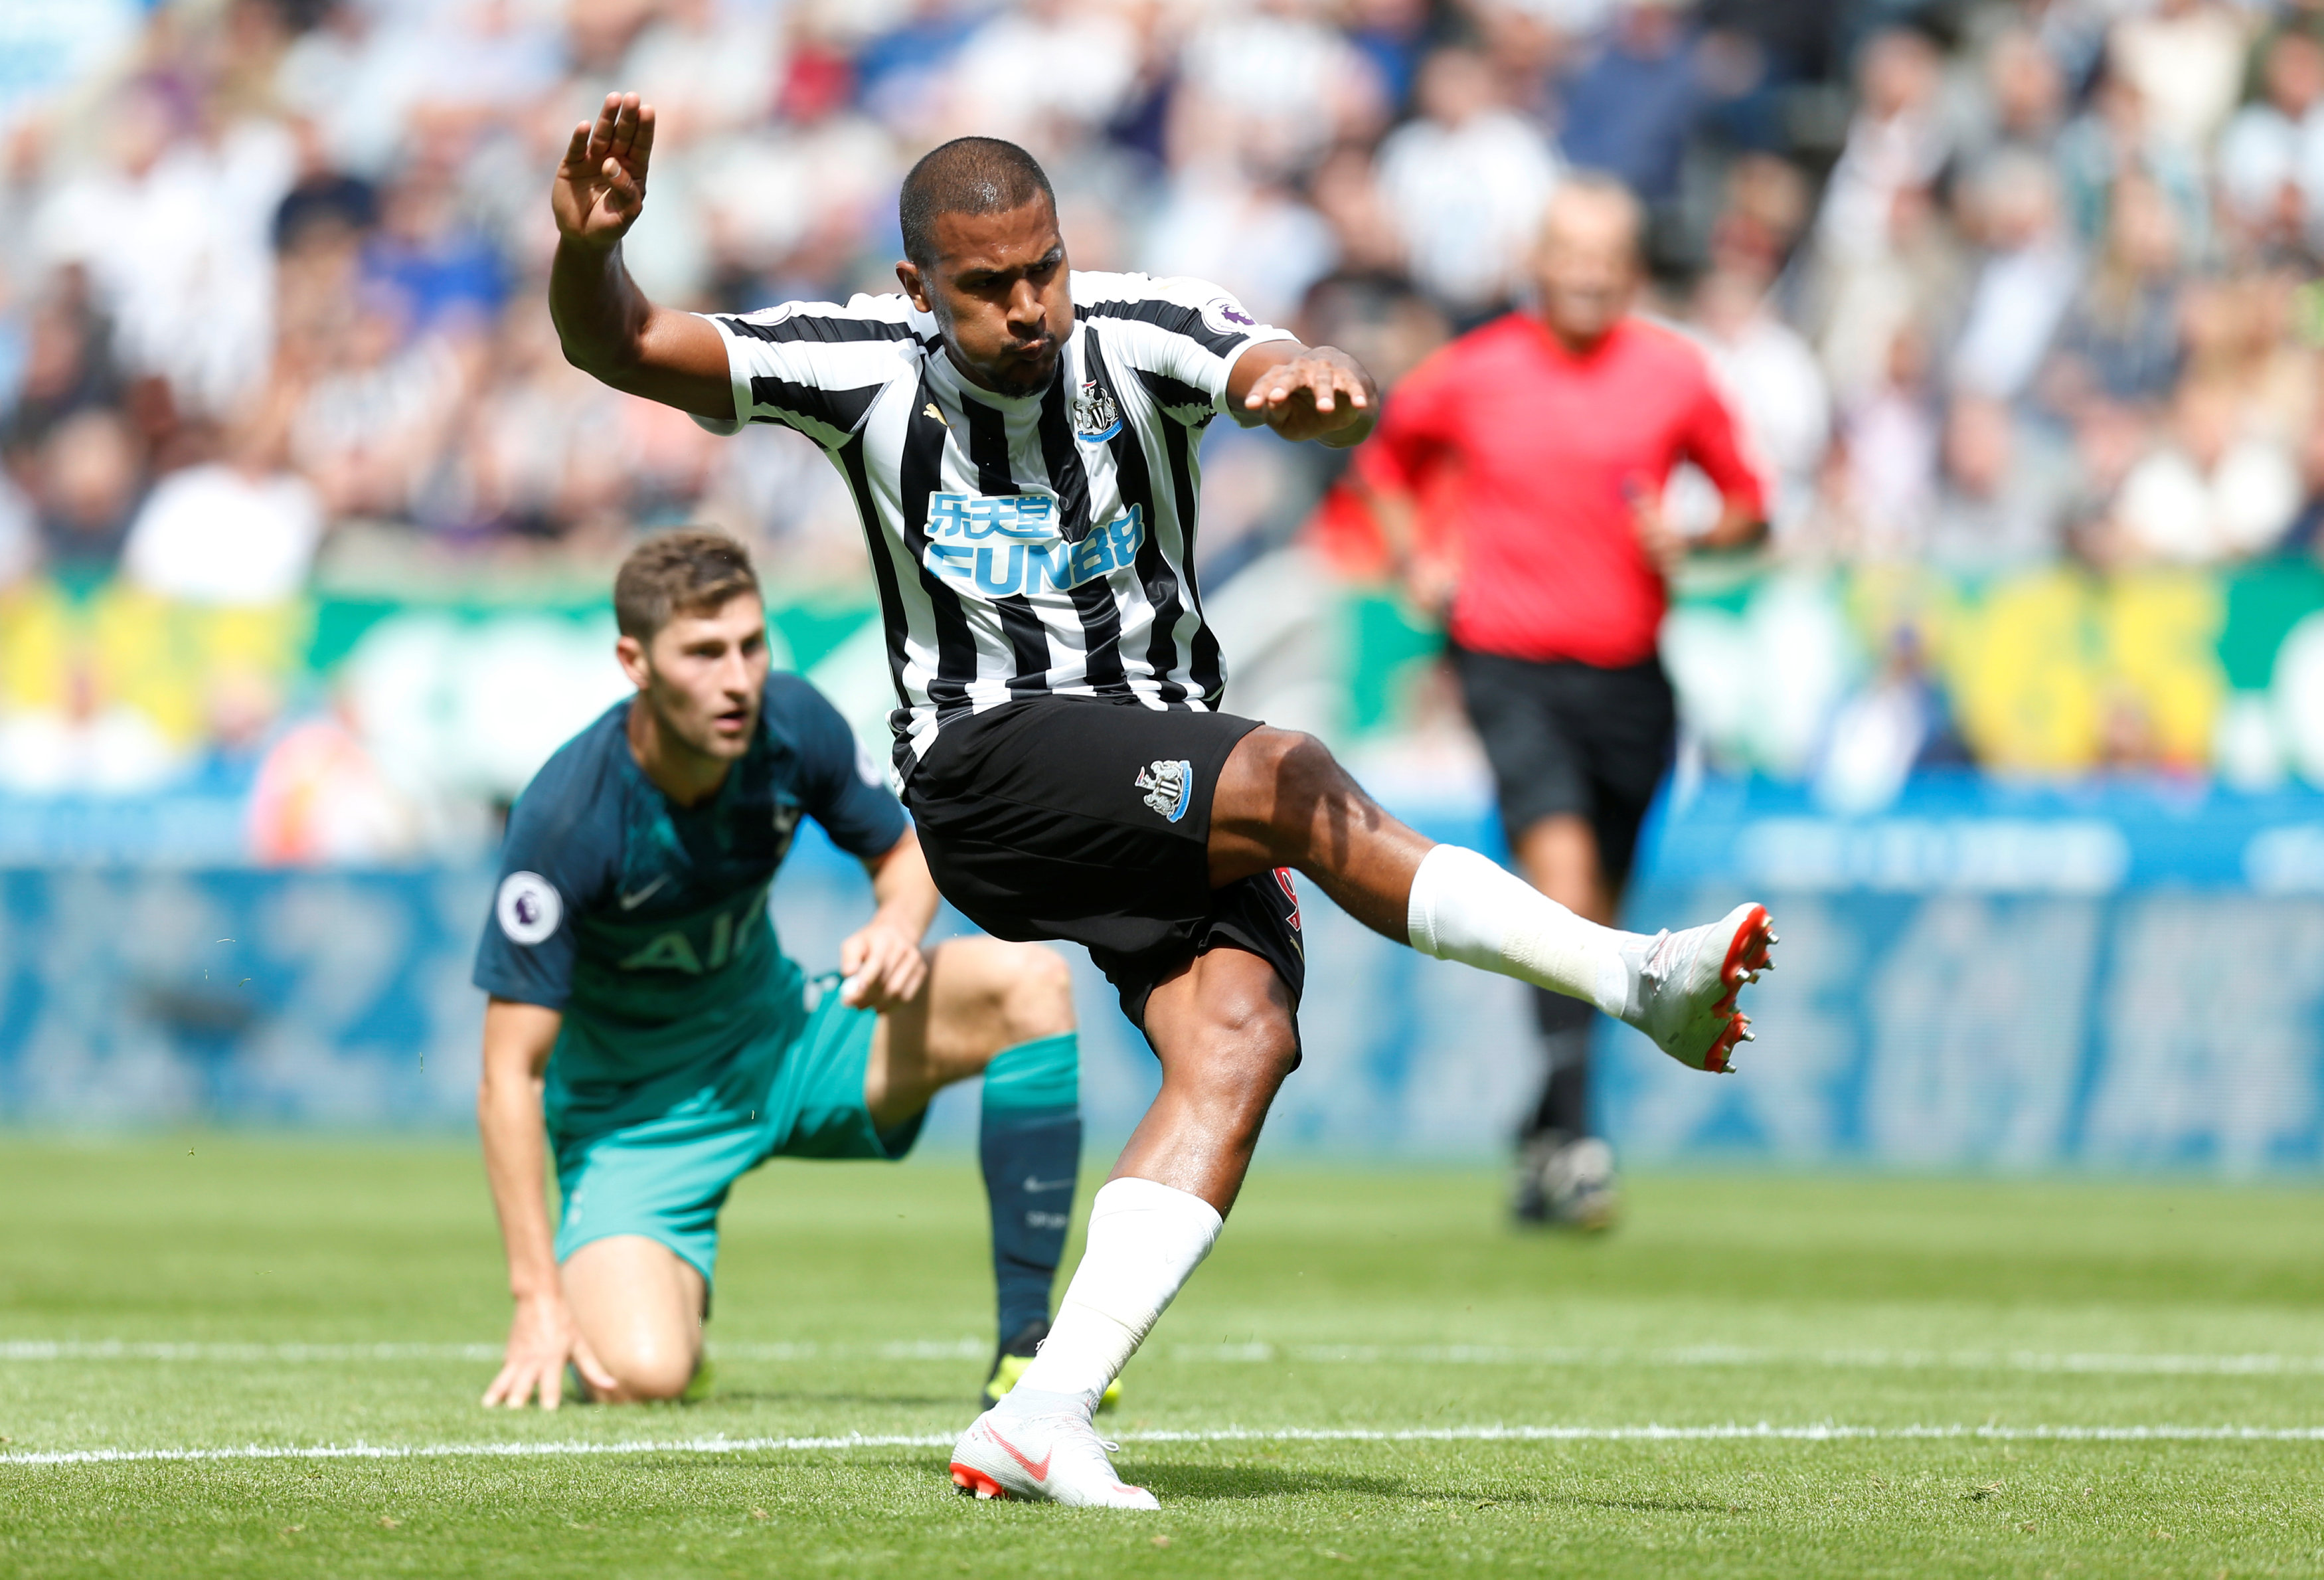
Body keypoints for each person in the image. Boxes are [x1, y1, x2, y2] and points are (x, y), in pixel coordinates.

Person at [546, 95, 1775, 1508]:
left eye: (1044, 268)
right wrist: (593, 252)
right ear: (914, 290)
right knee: (1293, 775)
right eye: (987, 286)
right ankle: (1635, 976)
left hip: (1154, 777)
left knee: (1244, 1038)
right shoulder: (860, 365)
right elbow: (619, 340)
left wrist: (1306, 378)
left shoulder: (1135, 328)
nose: (1028, 307)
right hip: (986, 765)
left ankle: (1046, 1408)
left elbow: (1263, 360)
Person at [473, 529, 1086, 1411]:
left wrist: (895, 926)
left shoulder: (793, 722)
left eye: (751, 646)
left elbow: (905, 858)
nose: (737, 679)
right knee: (644, 1374)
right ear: (633, 662)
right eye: (704, 653)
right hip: (636, 1120)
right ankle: (655, 1288)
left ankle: (1031, 1349)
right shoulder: (568, 815)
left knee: (1030, 983)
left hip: (785, 1047)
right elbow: (509, 1072)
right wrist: (535, 1302)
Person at [1358, 175, 1772, 1231]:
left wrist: (1700, 535)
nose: (1587, 272)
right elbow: (1386, 456)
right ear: (1536, 264)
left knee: (1598, 922)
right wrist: (1417, 559)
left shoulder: (1675, 375)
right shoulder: (1476, 371)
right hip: (1508, 666)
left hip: (1631, 681)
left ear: (1631, 270)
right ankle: (1582, 1145)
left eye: (1607, 254)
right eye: (1569, 251)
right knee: (1563, 882)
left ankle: (1543, 1131)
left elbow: (1749, 505)